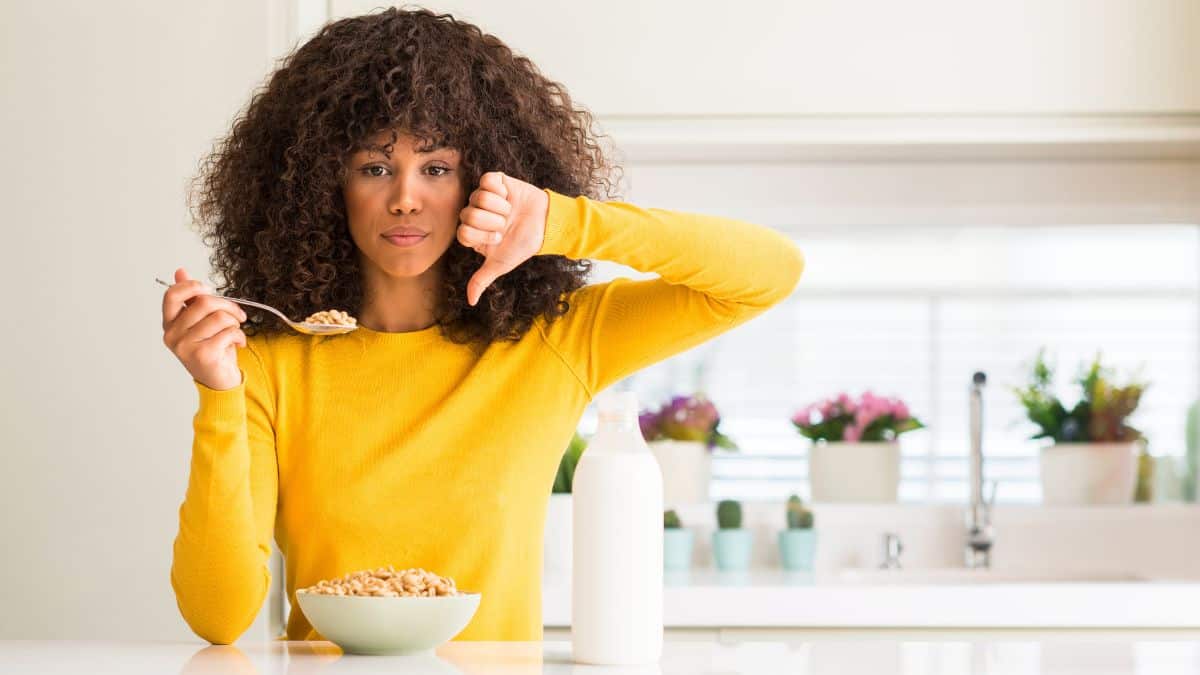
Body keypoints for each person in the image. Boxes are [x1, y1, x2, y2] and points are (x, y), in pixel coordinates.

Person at [161, 7, 804, 644]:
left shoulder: (552, 341)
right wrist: (217, 394)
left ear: (481, 179)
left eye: (436, 168)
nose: (406, 197)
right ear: (325, 185)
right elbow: (218, 617)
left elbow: (769, 272)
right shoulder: (268, 362)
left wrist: (564, 222)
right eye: (375, 167)